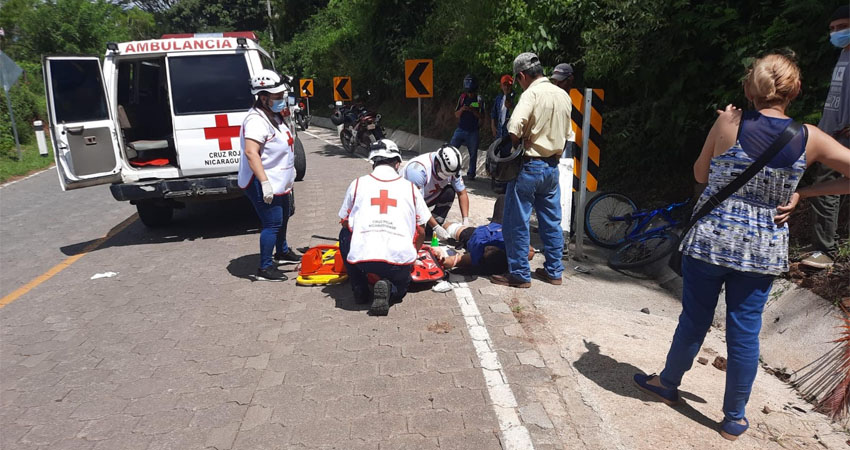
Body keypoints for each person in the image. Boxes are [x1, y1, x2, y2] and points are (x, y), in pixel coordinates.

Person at [633, 53, 850, 441]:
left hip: (711, 241)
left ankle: (667, 385)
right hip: (762, 249)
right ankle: (734, 418)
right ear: (796, 90)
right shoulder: (810, 138)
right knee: (745, 332)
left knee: (694, 320)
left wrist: (723, 129)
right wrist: (807, 191)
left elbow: (700, 173)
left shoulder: (727, 121)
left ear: (750, 88)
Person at [491, 52, 572, 288]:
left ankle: (518, 274)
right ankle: (554, 271)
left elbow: (514, 128)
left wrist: (518, 145)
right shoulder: (562, 95)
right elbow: (567, 135)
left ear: (522, 76)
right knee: (551, 221)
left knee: (516, 220)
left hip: (529, 165)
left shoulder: (531, 94)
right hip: (552, 167)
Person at [338, 139, 430, 316]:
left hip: (362, 259)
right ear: (397, 162)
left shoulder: (357, 184)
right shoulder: (410, 188)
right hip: (397, 261)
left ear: (373, 162)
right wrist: (412, 256)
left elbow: (344, 221)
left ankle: (359, 288)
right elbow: (420, 231)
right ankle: (391, 288)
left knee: (344, 233)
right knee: (402, 286)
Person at [238, 69, 301, 282]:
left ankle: (281, 251)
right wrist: (264, 183)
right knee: (272, 222)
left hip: (280, 179)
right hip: (262, 181)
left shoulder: (273, 115)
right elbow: (251, 152)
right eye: (277, 97)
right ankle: (264, 268)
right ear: (263, 97)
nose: (282, 100)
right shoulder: (256, 120)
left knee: (284, 215)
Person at [801, 5, 849, 269]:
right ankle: (824, 250)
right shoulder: (844, 54)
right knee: (825, 190)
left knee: (828, 189)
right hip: (831, 134)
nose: (836, 33)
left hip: (842, 136)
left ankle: (825, 251)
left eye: (842, 27)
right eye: (832, 29)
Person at [438, 195, 534, 274]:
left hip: (476, 233)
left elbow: (453, 261)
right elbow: (530, 252)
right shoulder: (511, 249)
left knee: (448, 227)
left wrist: (440, 259)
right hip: (499, 225)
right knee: (503, 198)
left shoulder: (476, 254)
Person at [403, 145, 471, 241]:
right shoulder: (417, 171)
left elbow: (462, 193)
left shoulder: (453, 169)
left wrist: (465, 219)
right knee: (413, 232)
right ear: (437, 163)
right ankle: (428, 228)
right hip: (406, 202)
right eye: (444, 174)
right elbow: (418, 205)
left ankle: (430, 231)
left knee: (449, 192)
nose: (444, 178)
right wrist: (437, 227)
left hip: (427, 197)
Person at [450, 74, 486, 179]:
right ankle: (450, 168)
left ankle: (471, 173)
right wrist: (463, 109)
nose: (470, 94)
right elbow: (456, 114)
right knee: (451, 149)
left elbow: (482, 116)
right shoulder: (462, 98)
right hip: (461, 128)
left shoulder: (479, 100)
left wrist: (472, 110)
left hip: (473, 130)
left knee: (473, 154)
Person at [490, 75, 514, 139]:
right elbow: (493, 113)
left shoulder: (515, 98)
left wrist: (511, 107)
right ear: (501, 86)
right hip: (500, 132)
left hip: (510, 133)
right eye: (504, 85)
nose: (506, 87)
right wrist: (493, 126)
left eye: (508, 85)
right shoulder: (499, 98)